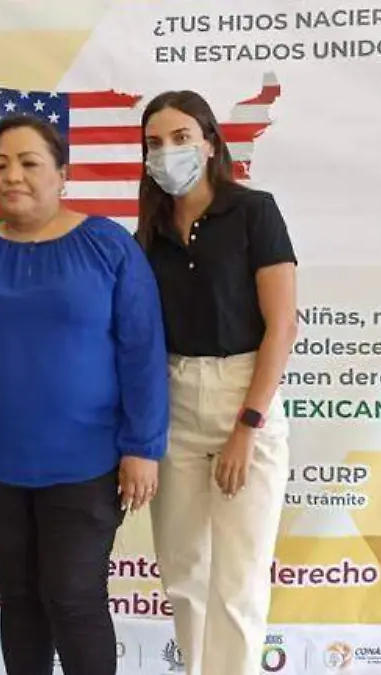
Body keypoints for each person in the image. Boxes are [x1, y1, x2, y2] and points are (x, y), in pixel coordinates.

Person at [0, 115, 169, 675]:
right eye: (0, 165)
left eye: (29, 163)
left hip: (86, 463)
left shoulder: (107, 246)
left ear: (62, 175)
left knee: (73, 596)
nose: (12, 175)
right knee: (18, 597)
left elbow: (142, 350)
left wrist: (143, 447)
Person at [139, 90, 298, 675]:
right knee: (184, 573)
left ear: (209, 143)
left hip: (244, 395)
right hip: (175, 398)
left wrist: (247, 429)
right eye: (155, 143)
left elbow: (283, 325)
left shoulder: (254, 211)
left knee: (239, 578)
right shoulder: (150, 233)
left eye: (181, 137)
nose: (168, 151)